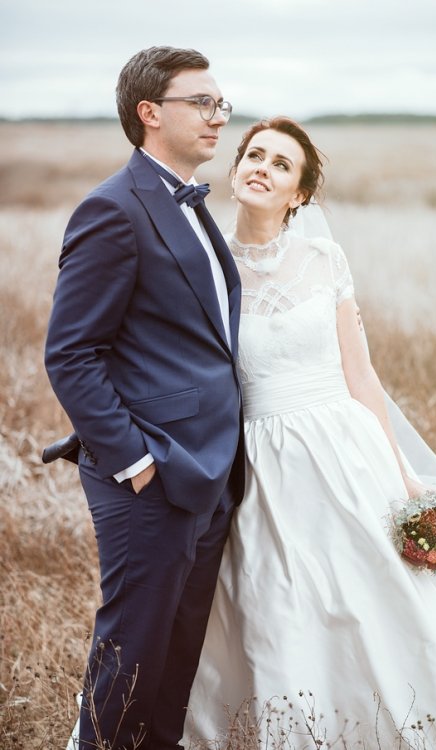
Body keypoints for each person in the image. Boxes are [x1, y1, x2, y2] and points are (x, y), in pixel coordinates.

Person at [184, 118, 436, 748]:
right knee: (280, 606)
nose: (262, 168)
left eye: (281, 164)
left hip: (347, 453)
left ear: (299, 194)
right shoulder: (204, 267)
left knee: (379, 600)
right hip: (261, 464)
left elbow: (362, 376)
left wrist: (403, 475)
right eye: (254, 155)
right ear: (235, 168)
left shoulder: (325, 260)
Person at [44, 46, 244, 750]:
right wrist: (135, 461)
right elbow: (70, 353)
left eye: (221, 103)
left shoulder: (191, 205)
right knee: (131, 657)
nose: (219, 117)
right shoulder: (113, 209)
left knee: (174, 663)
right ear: (149, 112)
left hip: (210, 472)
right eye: (203, 102)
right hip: (151, 476)